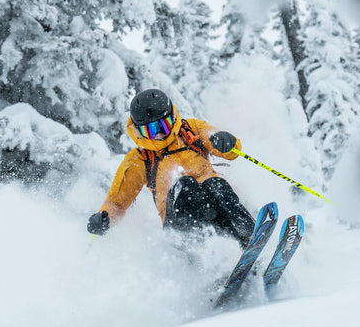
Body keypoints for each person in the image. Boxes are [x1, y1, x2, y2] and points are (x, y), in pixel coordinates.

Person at [87, 88, 256, 246]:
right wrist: (105, 218)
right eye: (151, 130)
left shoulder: (190, 130)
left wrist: (224, 141)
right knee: (185, 185)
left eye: (163, 125)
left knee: (215, 184)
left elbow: (217, 141)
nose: (159, 134)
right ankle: (206, 253)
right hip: (180, 224)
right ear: (139, 132)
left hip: (215, 207)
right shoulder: (140, 159)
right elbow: (117, 202)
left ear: (172, 118)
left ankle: (249, 237)